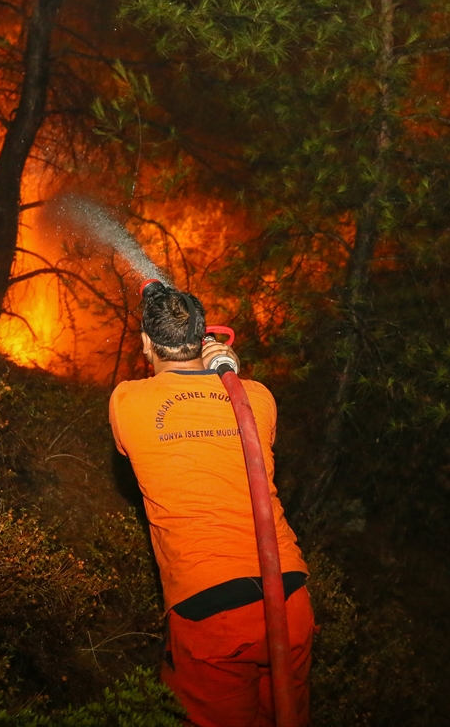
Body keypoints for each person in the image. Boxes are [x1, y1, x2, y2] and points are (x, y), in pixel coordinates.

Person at [108, 286, 313, 727]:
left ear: (147, 343)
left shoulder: (127, 402)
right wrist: (225, 373)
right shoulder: (257, 397)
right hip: (289, 595)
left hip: (211, 610)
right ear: (204, 338)